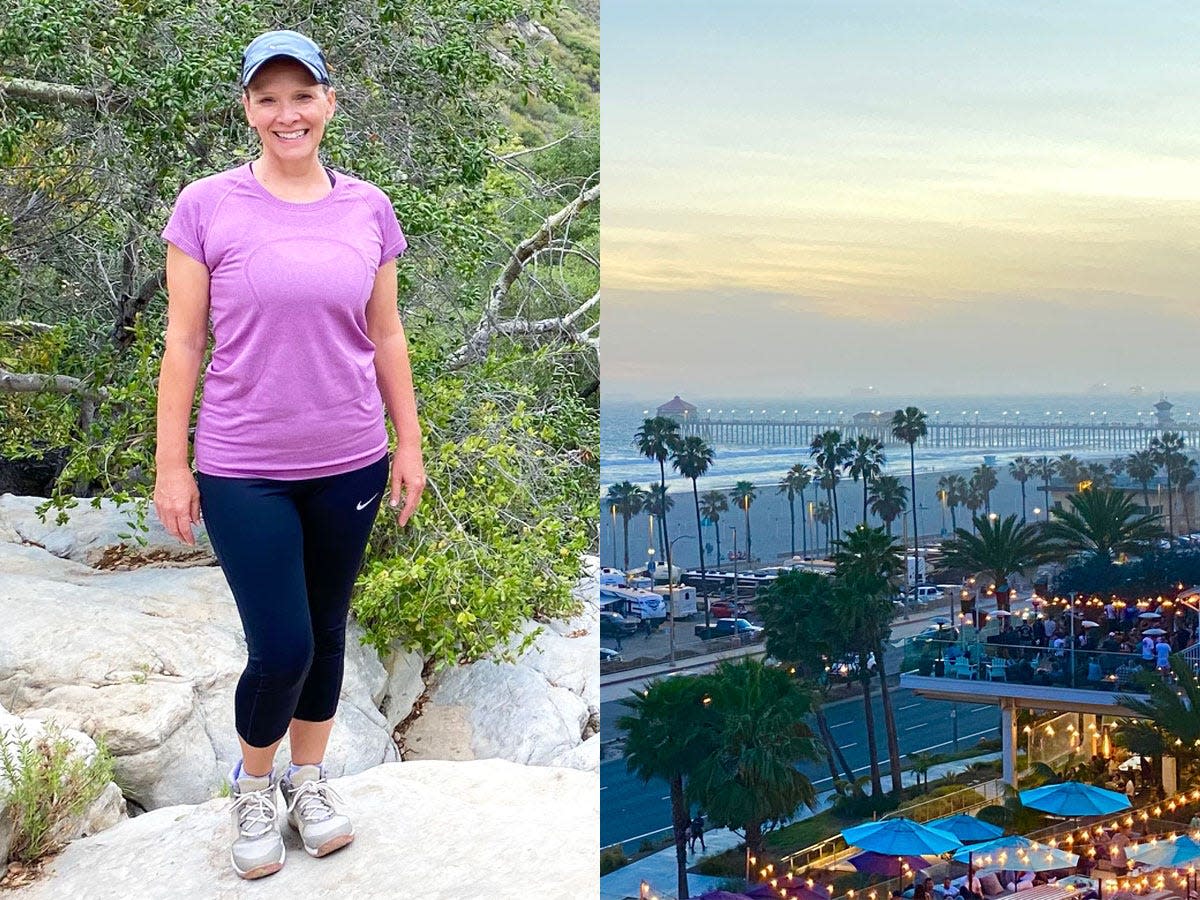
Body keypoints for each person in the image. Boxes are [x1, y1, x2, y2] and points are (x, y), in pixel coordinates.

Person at [155, 30, 425, 880]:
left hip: (351, 456)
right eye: (268, 98)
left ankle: (309, 782)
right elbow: (184, 341)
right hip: (244, 465)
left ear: (328, 103)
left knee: (328, 630)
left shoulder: (367, 208)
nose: (287, 113)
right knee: (282, 645)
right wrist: (172, 463)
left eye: (301, 96)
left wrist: (408, 445)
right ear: (248, 109)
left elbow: (385, 334)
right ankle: (254, 784)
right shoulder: (207, 205)